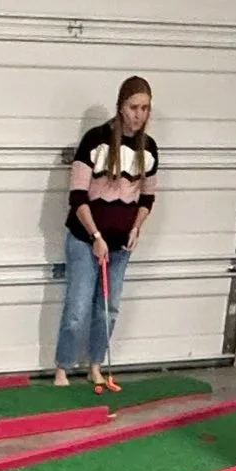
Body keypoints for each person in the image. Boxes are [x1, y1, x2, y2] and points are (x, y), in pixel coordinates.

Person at [55, 75, 158, 392]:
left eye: (144, 108)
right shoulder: (95, 140)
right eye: (133, 107)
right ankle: (62, 368)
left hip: (120, 246)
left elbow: (147, 198)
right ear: (121, 106)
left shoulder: (149, 149)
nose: (138, 114)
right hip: (85, 239)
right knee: (78, 307)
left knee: (108, 308)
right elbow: (77, 197)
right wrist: (96, 236)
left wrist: (137, 228)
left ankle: (95, 366)